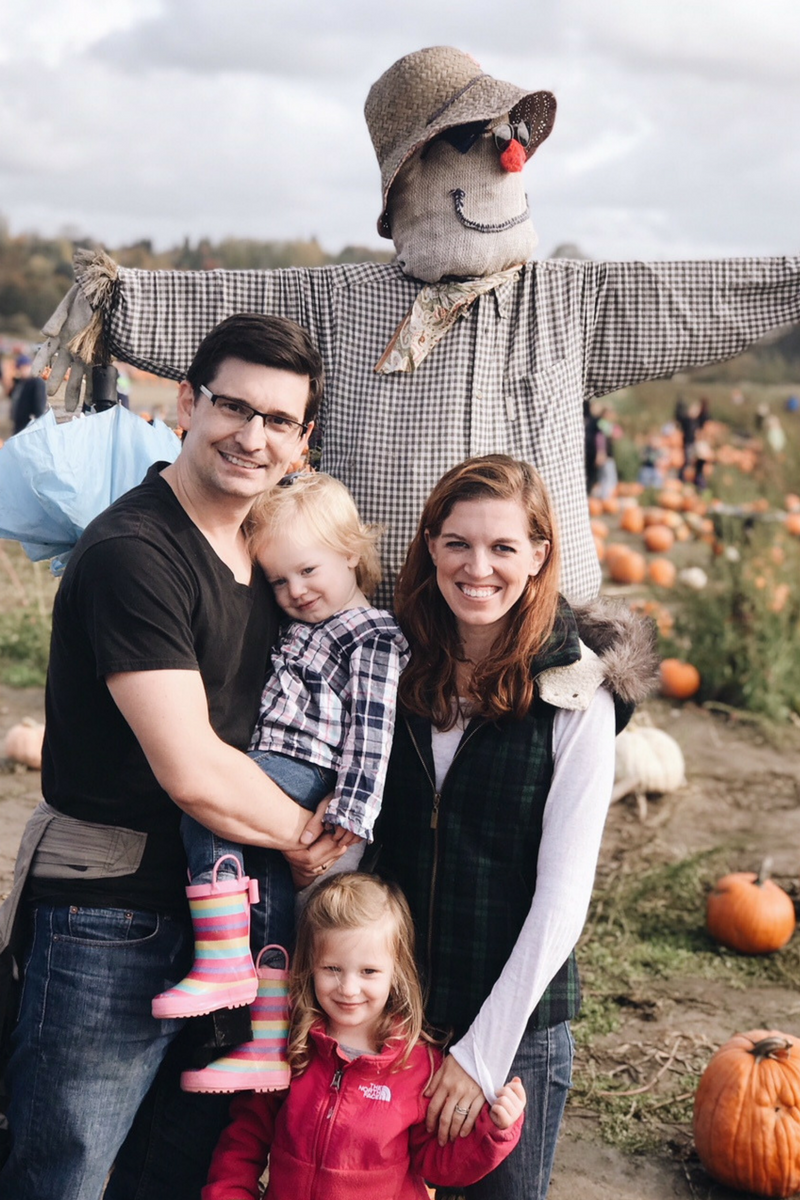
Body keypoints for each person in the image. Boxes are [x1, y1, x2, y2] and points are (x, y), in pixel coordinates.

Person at [31, 46, 800, 607]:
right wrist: (116, 297)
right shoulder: (339, 301)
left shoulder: (575, 300)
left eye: (513, 139)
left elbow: (702, 295)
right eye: (475, 138)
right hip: (373, 617)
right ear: (413, 177)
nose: (508, 156)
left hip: (534, 625)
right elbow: (227, 307)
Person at [0, 313, 352, 1200]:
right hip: (112, 918)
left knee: (176, 1171)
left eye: (279, 421)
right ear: (187, 404)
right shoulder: (135, 553)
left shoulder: (268, 555)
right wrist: (320, 839)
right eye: (235, 407)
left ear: (303, 440)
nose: (253, 436)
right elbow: (192, 766)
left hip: (228, 920)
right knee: (65, 1172)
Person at [374, 455, 659, 1200]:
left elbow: (562, 898)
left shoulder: (576, 695)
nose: (478, 567)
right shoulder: (390, 664)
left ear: (539, 556)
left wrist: (483, 1054)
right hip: (390, 1008)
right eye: (458, 543)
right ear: (430, 544)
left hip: (515, 1026)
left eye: (503, 547)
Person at [153, 473, 409, 1095]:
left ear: (351, 553)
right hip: (284, 766)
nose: (294, 590)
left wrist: (351, 811)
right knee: (271, 907)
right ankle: (266, 1045)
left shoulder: (372, 635)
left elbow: (374, 730)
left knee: (208, 806)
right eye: (279, 580)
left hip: (307, 769)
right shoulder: (300, 626)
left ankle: (220, 960)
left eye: (308, 571)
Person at [202, 872, 526, 1200]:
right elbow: (244, 1138)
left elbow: (439, 1166)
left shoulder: (419, 1065)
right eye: (332, 969)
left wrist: (493, 1133)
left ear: (395, 972)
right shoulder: (290, 1045)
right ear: (310, 964)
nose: (349, 988)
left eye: (368, 971)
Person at [9, 354, 47, 435]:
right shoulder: (20, 383)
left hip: (29, 425)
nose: (22, 371)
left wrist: (36, 421)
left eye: (24, 368)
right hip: (18, 424)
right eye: (20, 368)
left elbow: (39, 404)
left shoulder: (36, 383)